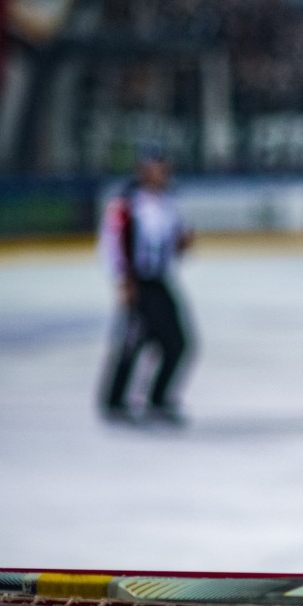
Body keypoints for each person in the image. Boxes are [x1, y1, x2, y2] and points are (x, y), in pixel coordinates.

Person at [97, 145, 195, 425]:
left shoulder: (169, 204)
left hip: (159, 281)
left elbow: (170, 247)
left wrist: (182, 245)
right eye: (158, 167)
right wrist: (123, 280)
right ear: (144, 170)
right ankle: (114, 402)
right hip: (137, 282)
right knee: (131, 343)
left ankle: (159, 398)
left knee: (177, 343)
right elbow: (112, 245)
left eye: (166, 167)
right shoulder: (126, 204)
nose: (164, 172)